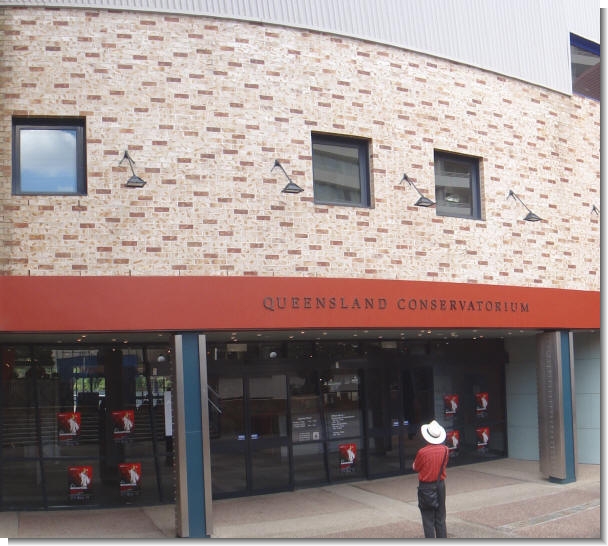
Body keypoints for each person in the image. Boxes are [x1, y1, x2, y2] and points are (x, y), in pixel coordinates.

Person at [413, 420, 449, 538]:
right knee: (440, 517)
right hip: (440, 485)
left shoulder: (422, 452)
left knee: (428, 518)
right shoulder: (445, 450)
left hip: (426, 486)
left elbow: (416, 467)